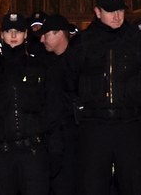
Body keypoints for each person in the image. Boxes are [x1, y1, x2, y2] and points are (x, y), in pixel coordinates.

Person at [62, 0, 141, 195]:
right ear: (97, 12)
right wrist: (79, 110)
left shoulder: (138, 41)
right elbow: (67, 81)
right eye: (110, 10)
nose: (116, 16)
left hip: (130, 126)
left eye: (120, 10)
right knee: (92, 185)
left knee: (136, 185)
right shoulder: (83, 43)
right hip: (94, 127)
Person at [0, 12, 59, 195]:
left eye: (17, 31)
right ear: (1, 34)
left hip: (33, 155)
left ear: (25, 34)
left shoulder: (40, 68)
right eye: (8, 31)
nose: (13, 35)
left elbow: (52, 111)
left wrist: (55, 151)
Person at [38, 14, 77, 195]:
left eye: (46, 34)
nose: (41, 39)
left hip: (76, 141)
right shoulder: (46, 64)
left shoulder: (78, 63)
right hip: (53, 141)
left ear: (59, 34)